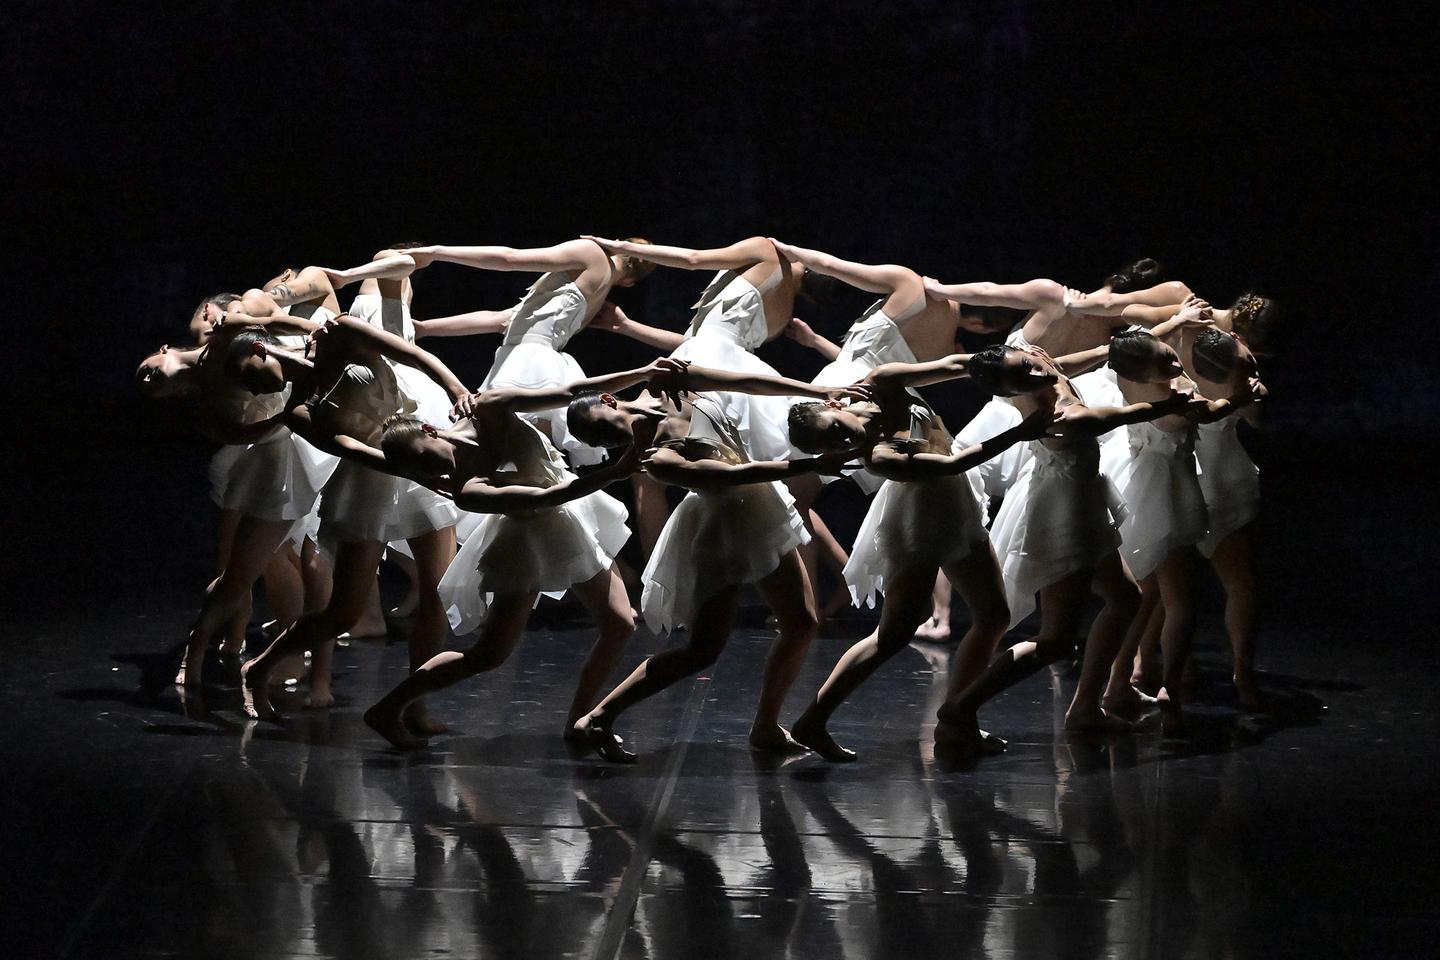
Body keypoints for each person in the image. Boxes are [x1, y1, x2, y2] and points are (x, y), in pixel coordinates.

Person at [358, 359, 686, 750]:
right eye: (420, 469)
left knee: (619, 623)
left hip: (566, 518)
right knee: (490, 654)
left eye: (426, 456)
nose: (433, 470)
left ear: (430, 429)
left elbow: (570, 393)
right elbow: (549, 496)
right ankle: (388, 707)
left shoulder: (490, 407)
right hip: (528, 538)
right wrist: (618, 470)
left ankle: (581, 722)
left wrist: (643, 371)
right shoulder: (467, 487)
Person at [565, 363, 865, 762]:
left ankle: (766, 727)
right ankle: (601, 716)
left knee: (801, 622)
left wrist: (816, 388)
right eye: (606, 438)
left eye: (607, 422)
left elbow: (744, 380)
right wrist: (808, 465)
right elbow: (727, 476)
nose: (618, 434)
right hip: (722, 531)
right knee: (703, 649)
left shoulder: (668, 386)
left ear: (609, 400)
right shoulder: (657, 458)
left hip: (761, 509)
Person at [781, 352, 1050, 760]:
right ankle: (813, 720)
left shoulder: (884, 380)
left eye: (838, 428)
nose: (846, 441)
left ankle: (959, 718)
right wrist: (1022, 431)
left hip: (956, 506)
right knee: (893, 635)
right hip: (918, 524)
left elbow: (958, 364)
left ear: (835, 404)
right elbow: (952, 462)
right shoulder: (878, 456)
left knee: (994, 615)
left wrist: (1018, 367)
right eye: (835, 445)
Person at [928, 341, 1207, 732]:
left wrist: (1120, 345)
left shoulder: (1043, 369)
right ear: (1012, 390)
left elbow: (1071, 360)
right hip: (1064, 516)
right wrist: (1168, 405)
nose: (1036, 371)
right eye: (1023, 375)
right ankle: (961, 706)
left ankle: (1089, 705)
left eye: (1029, 363)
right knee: (1056, 639)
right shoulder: (1059, 416)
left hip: (1085, 503)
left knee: (1127, 599)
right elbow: (1120, 416)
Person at [228, 314, 468, 725]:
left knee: (437, 594)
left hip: (412, 447)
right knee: (344, 612)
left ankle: (415, 702)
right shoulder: (300, 407)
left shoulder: (339, 334)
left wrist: (457, 389)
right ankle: (261, 665)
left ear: (261, 349)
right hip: (374, 476)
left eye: (250, 375)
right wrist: (407, 469)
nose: (256, 389)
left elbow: (409, 352)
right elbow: (349, 448)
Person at [399, 238, 656, 465]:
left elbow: (509, 258)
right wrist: (424, 329)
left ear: (618, 244)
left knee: (511, 453)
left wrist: (437, 252)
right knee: (527, 456)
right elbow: (504, 320)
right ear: (631, 282)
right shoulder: (600, 291)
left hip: (528, 361)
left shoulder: (591, 253)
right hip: (539, 359)